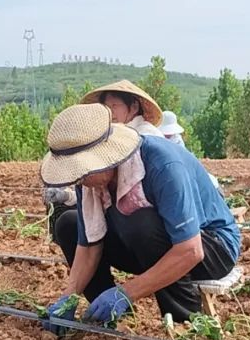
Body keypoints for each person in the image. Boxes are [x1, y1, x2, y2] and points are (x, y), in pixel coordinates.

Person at [41, 104, 241, 332]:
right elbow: (89, 247)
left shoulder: (161, 163)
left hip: (210, 246)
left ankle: (184, 320)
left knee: (139, 222)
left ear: (106, 157)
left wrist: (127, 292)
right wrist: (69, 297)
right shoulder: (88, 182)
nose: (81, 181)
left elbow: (190, 250)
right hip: (148, 244)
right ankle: (106, 317)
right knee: (68, 223)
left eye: (84, 172)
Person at [45, 81, 166, 240]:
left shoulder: (148, 141)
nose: (110, 112)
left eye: (115, 105)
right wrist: (67, 195)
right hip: (123, 220)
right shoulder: (102, 147)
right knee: (68, 223)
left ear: (134, 107)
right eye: (105, 107)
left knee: (141, 223)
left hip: (154, 227)